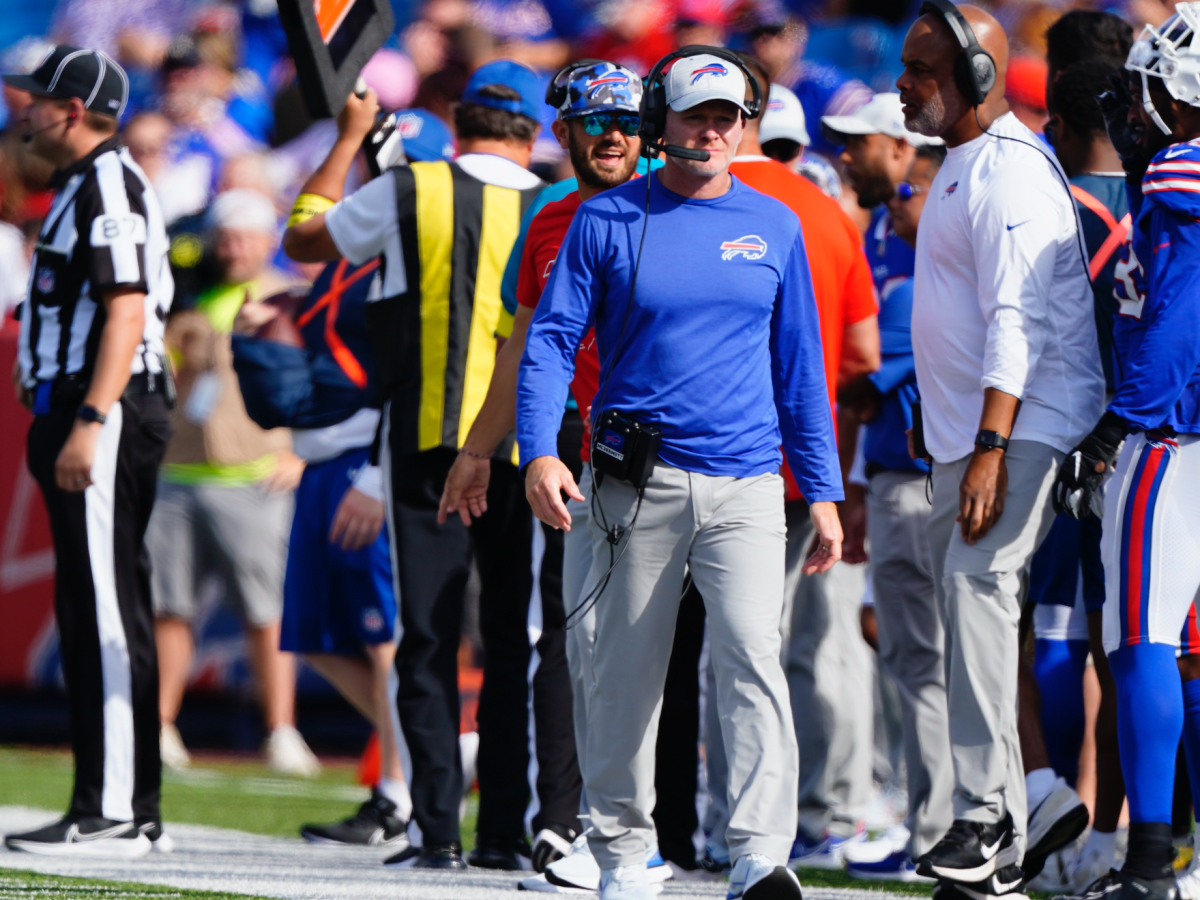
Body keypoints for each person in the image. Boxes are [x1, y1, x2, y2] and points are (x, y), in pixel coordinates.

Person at [517, 48, 843, 900]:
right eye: (696, 115)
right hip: (633, 485)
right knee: (620, 672)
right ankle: (625, 852)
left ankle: (758, 855)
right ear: (662, 118)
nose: (712, 131)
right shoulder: (605, 219)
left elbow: (801, 364)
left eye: (728, 117)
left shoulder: (776, 225)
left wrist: (825, 491)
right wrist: (540, 449)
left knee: (751, 659)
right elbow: (551, 341)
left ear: (746, 127)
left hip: (747, 484)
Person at [283, 60, 555, 871]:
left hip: (427, 441)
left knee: (429, 637)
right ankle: (508, 831)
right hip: (527, 444)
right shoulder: (558, 199)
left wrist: (343, 146)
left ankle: (435, 830)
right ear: (536, 129)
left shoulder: (412, 188)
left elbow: (303, 238)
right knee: (517, 637)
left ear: (461, 117)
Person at [438, 59, 685, 890]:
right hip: (579, 443)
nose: (612, 135)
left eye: (625, 121)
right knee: (572, 635)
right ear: (566, 131)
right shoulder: (547, 216)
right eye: (594, 121)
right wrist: (481, 449)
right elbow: (523, 345)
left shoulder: (686, 201)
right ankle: (567, 823)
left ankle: (677, 825)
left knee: (677, 646)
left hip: (682, 443)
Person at [896, 3, 1105, 893]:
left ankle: (985, 818)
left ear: (979, 79)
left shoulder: (1009, 172)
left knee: (980, 597)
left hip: (1023, 422)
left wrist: (989, 442)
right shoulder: (961, 163)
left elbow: (1016, 321)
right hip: (967, 430)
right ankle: (1033, 808)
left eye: (923, 70)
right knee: (968, 618)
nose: (903, 85)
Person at [2, 45, 174, 857]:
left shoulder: (107, 182)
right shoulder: (79, 184)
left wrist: (93, 418)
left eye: (35, 99)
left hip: (104, 403)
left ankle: (115, 810)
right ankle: (116, 803)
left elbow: (128, 309)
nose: (23, 110)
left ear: (72, 111)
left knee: (104, 606)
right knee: (90, 604)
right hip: (80, 401)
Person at [1051, 9, 1200, 900]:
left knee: (1140, 640)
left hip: (1173, 438)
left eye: (1146, 92)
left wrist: (1121, 420)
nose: (1131, 111)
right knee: (1188, 650)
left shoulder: (1183, 171)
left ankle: (1147, 862)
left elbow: (1181, 314)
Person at [718, 55, 880, 875]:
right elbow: (861, 351)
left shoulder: (679, 196)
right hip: (808, 463)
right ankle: (824, 812)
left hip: (705, 455)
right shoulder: (824, 209)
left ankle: (724, 820)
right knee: (812, 649)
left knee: (723, 650)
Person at [230, 256, 412, 846]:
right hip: (319, 462)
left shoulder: (397, 261)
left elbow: (407, 372)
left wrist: (378, 478)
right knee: (314, 637)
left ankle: (399, 791)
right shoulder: (334, 271)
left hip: (365, 460)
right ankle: (431, 747)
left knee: (382, 633)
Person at [148, 187, 314, 778]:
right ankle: (160, 726)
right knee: (170, 607)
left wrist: (301, 455)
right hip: (181, 467)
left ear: (269, 240)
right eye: (225, 237)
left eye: (244, 236)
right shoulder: (192, 297)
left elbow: (323, 383)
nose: (233, 247)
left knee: (265, 611)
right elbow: (161, 371)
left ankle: (281, 728)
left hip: (254, 472)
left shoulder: (293, 297)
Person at [834, 138, 955, 882]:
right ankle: (941, 826)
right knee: (933, 663)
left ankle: (939, 832)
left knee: (924, 664)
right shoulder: (937, 280)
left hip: (914, 482)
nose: (899, 208)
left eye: (912, 194)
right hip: (918, 481)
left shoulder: (914, 288)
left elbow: (859, 381)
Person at [1035, 51, 1134, 892]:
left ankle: (1078, 819)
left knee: (1067, 640)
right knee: (1129, 647)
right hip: (1148, 449)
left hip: (1079, 448)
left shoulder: (1062, 210)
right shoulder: (1154, 196)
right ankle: (1115, 828)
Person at [757, 83, 841, 199]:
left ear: (801, 148)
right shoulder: (729, 177)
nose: (775, 160)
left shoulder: (818, 177)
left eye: (787, 149)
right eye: (766, 149)